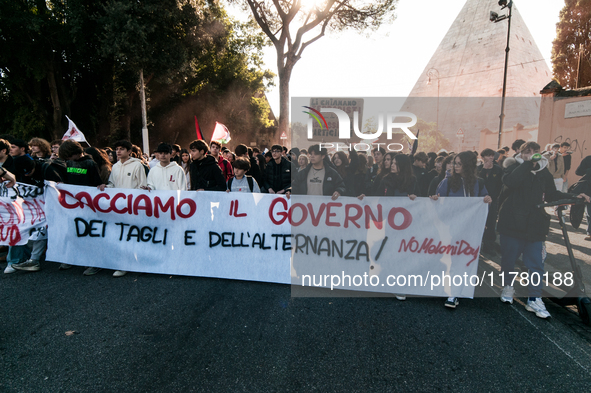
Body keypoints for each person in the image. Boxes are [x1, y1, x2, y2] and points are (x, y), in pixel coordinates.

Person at [497, 141, 590, 318]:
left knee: (536, 264)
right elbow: (511, 182)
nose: (532, 154)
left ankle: (534, 298)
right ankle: (507, 287)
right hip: (512, 223)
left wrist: (573, 196)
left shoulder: (543, 172)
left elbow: (552, 194)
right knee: (509, 260)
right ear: (521, 153)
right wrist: (527, 164)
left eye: (536, 151)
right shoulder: (512, 167)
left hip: (535, 225)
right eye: (528, 151)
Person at [434, 151, 492, 309]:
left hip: (470, 228)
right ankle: (449, 291)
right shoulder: (447, 181)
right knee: (451, 259)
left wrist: (487, 200)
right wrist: (435, 200)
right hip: (451, 228)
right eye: (454, 163)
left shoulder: (478, 183)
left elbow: (484, 200)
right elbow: (438, 202)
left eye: (459, 164)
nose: (455, 166)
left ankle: (455, 292)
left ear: (468, 165)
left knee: (463, 260)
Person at [98, 140, 147, 277]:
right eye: (117, 149)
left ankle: (137, 262)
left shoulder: (138, 165)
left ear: (129, 151)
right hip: (118, 207)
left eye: (122, 149)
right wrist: (106, 187)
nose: (118, 151)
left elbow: (142, 186)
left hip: (132, 207)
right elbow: (112, 184)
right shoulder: (115, 167)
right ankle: (123, 264)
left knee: (133, 235)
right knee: (121, 236)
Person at [477, 148, 504, 255]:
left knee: (491, 223)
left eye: (492, 155)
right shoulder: (478, 169)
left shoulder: (498, 169)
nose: (491, 158)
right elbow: (477, 182)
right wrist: (483, 170)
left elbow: (500, 185)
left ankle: (489, 246)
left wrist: (495, 197)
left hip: (492, 201)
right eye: (488, 155)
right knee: (479, 223)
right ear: (483, 158)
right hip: (479, 201)